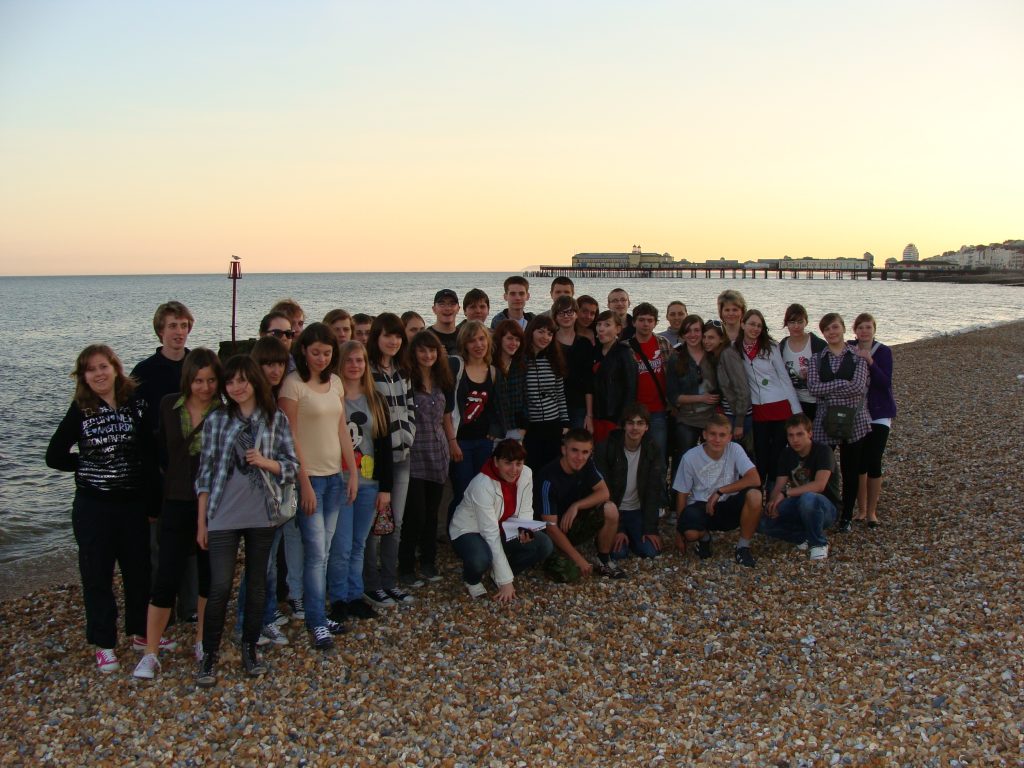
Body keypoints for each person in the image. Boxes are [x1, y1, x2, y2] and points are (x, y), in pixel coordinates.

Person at [46, 345, 154, 674]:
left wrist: (152, 498)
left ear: (115, 368)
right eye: (90, 369)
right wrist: (84, 464)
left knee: (139, 571)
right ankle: (104, 644)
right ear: (84, 377)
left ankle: (140, 633)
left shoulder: (134, 403)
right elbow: (54, 455)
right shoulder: (81, 409)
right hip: (94, 507)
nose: (99, 373)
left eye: (103, 366)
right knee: (97, 575)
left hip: (132, 504)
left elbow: (149, 449)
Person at [194, 356, 298, 688]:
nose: (237, 387)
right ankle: (208, 655)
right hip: (223, 514)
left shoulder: (275, 418)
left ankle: (250, 649)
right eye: (230, 382)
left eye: (243, 380)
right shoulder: (217, 420)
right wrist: (202, 521)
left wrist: (266, 462)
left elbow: (292, 465)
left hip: (263, 514)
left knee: (257, 584)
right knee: (220, 586)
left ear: (254, 380)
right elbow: (205, 473)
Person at [132, 349, 221, 680]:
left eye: (211, 380)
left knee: (207, 576)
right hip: (176, 500)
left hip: (213, 504)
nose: (204, 387)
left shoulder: (223, 412)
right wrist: (154, 503)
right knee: (165, 576)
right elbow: (158, 456)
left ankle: (201, 640)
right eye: (198, 380)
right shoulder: (169, 406)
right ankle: (150, 651)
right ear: (188, 379)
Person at [279, 323, 359, 650]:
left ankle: (319, 612)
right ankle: (315, 620)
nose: (321, 358)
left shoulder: (336, 383)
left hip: (334, 477)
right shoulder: (292, 385)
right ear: (303, 351)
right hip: (308, 479)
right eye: (315, 352)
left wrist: (352, 471)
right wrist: (304, 484)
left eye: (327, 353)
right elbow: (290, 437)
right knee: (315, 554)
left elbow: (342, 430)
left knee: (324, 551)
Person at [328, 341, 394, 622]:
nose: (355, 366)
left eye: (360, 360)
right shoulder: (332, 397)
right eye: (349, 360)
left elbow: (385, 444)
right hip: (339, 481)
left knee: (358, 544)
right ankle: (338, 598)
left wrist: (385, 488)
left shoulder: (375, 399)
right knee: (340, 546)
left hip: (369, 481)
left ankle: (355, 595)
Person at [449, 440, 554, 601]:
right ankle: (472, 580)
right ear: (496, 462)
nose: (514, 470)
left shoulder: (526, 473)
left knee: (543, 545)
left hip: (502, 525)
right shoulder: (481, 484)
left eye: (518, 463)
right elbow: (490, 533)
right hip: (470, 530)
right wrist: (506, 582)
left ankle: (498, 573)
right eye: (508, 463)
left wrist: (524, 528)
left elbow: (526, 507)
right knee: (479, 560)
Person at [363, 313, 417, 608]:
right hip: (376, 460)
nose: (393, 340)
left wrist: (408, 433)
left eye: (397, 336)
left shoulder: (402, 371)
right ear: (376, 337)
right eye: (387, 335)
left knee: (395, 521)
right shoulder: (367, 372)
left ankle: (389, 582)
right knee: (373, 524)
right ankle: (371, 585)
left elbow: (410, 407)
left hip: (403, 455)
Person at [398, 330, 456, 587]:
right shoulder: (405, 381)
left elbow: (446, 415)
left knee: (432, 513)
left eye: (432, 350)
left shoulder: (442, 378)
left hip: (438, 451)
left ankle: (429, 561)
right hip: (414, 453)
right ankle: (406, 565)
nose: (428, 355)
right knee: (415, 514)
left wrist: (452, 441)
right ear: (414, 352)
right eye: (422, 350)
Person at [807, 313, 870, 533]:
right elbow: (813, 388)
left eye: (835, 327)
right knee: (824, 467)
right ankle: (830, 508)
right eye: (826, 329)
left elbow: (858, 387)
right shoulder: (817, 358)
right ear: (823, 334)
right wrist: (843, 383)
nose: (831, 332)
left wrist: (832, 388)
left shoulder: (858, 355)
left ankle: (846, 517)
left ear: (843, 329)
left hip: (855, 421)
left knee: (850, 469)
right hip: (824, 422)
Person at [673, 414, 762, 567]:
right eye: (713, 434)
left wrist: (720, 491)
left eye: (722, 435)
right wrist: (679, 530)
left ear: (729, 437)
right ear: (705, 434)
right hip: (702, 505)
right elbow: (682, 494)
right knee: (690, 533)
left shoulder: (735, 449)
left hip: (728, 504)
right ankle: (704, 538)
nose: (717, 439)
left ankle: (743, 547)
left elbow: (755, 479)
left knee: (755, 495)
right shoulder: (690, 457)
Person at [534, 429, 623, 581]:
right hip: (547, 536)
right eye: (574, 450)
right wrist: (578, 559)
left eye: (585, 452)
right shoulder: (548, 478)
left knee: (610, 509)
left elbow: (604, 493)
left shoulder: (586, 464)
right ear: (564, 450)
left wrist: (576, 505)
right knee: (571, 574)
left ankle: (603, 559)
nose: (579, 457)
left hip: (570, 525)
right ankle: (553, 556)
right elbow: (550, 527)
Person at [735, 309, 802, 491]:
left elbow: (784, 379)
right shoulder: (735, 348)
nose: (755, 329)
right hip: (757, 409)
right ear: (742, 324)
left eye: (759, 325)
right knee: (760, 454)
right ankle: (757, 495)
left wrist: (797, 412)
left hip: (780, 406)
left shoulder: (770, 347)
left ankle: (774, 495)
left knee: (778, 455)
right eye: (751, 324)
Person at [761, 414, 840, 560]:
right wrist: (772, 504)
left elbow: (819, 485)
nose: (795, 440)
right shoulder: (786, 454)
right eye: (791, 435)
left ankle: (819, 543)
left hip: (825, 507)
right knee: (762, 523)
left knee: (808, 498)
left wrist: (785, 493)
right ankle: (803, 536)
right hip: (798, 503)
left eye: (799, 434)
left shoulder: (823, 451)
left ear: (810, 433)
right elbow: (779, 485)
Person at [595, 404, 665, 560]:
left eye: (640, 423)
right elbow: (603, 490)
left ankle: (633, 535)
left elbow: (654, 490)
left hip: (636, 511)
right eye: (631, 423)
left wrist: (650, 529)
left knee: (650, 551)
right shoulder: (606, 447)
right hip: (612, 510)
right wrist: (617, 527)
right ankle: (616, 534)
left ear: (647, 427)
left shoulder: (653, 449)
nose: (635, 428)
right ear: (623, 426)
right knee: (618, 553)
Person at [448, 321, 499, 519]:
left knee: (480, 491)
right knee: (462, 491)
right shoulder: (457, 367)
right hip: (461, 441)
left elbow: (494, 406)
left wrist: (493, 431)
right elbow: (447, 407)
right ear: (464, 344)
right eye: (472, 341)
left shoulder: (492, 371)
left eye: (481, 339)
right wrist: (452, 441)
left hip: (483, 442)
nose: (478, 345)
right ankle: (455, 533)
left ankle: (474, 531)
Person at [851, 313, 896, 527]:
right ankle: (860, 509)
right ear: (854, 330)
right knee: (859, 462)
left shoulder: (884, 351)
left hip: (879, 413)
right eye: (860, 327)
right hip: (857, 412)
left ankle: (872, 512)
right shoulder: (850, 348)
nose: (864, 331)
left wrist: (870, 361)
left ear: (874, 329)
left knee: (874, 460)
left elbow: (885, 382)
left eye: (868, 327)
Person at [521, 315, 569, 471]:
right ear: (531, 332)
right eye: (541, 332)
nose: (545, 337)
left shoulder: (554, 359)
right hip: (530, 426)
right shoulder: (521, 360)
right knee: (530, 468)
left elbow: (560, 394)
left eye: (549, 334)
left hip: (552, 423)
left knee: (552, 468)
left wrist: (565, 423)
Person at [626, 302, 672, 462]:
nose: (646, 324)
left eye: (650, 320)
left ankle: (658, 487)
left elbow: (673, 374)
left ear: (655, 323)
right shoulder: (625, 348)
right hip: (634, 410)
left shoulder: (664, 343)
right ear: (634, 322)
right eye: (641, 320)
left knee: (658, 455)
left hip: (658, 410)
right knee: (633, 456)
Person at [706, 320, 753, 454]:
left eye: (711, 337)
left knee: (737, 456)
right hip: (728, 413)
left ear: (721, 339)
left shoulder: (728, 354)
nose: (706, 341)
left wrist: (739, 423)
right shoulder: (715, 355)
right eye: (704, 337)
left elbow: (743, 390)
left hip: (738, 415)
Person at [591, 310, 637, 443]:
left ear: (618, 329)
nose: (601, 329)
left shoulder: (624, 353)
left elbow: (631, 389)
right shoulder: (595, 352)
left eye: (607, 325)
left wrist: (623, 421)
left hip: (614, 417)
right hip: (596, 415)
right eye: (599, 324)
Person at [552, 295, 595, 431]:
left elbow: (589, 381)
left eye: (570, 312)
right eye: (561, 312)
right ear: (555, 316)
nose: (566, 316)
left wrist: (589, 414)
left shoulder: (584, 344)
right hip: (553, 406)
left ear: (576, 315)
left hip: (578, 405)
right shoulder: (549, 342)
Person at [779, 303, 826, 420]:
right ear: (786, 324)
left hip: (817, 402)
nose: (796, 326)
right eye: (792, 322)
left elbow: (829, 372)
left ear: (806, 322)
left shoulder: (818, 344)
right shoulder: (782, 346)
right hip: (793, 402)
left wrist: (812, 374)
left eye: (800, 322)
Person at [492, 320, 528, 441]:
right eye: (510, 338)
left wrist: (523, 427)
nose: (514, 343)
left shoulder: (520, 366)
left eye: (517, 340)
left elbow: (525, 398)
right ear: (500, 339)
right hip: (494, 430)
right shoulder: (490, 365)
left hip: (516, 428)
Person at [429, 289, 461, 354]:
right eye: (442, 304)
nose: (447, 308)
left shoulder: (463, 336)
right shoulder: (427, 337)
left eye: (452, 304)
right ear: (434, 309)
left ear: (458, 309)